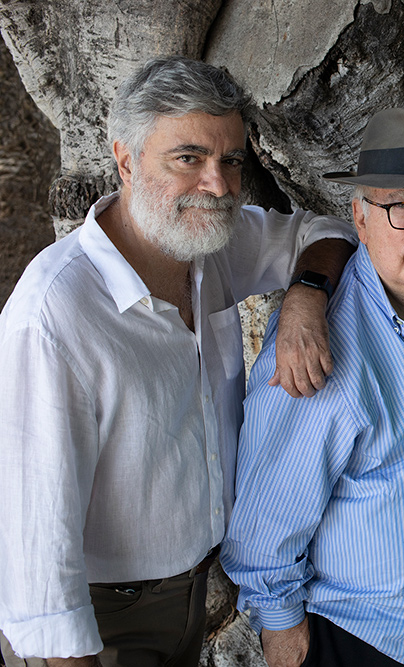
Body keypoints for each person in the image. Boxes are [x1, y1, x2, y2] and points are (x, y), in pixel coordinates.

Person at [0, 56, 357, 666]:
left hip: (195, 592)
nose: (217, 186)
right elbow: (37, 555)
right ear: (126, 160)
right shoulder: (54, 313)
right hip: (101, 622)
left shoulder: (206, 243)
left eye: (232, 161)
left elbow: (324, 230)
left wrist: (307, 295)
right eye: (188, 158)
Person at [221, 108, 404, 667]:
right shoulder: (315, 346)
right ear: (359, 218)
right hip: (367, 640)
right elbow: (264, 525)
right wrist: (282, 630)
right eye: (400, 207)